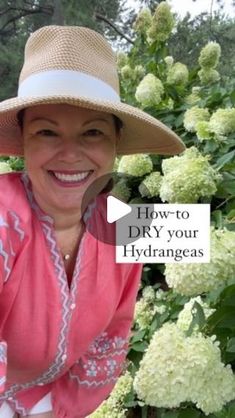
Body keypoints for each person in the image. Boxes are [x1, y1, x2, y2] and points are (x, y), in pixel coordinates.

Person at [0, 25, 185, 418]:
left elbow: (210, 238)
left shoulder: (125, 227)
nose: (71, 154)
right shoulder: (4, 219)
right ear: (23, 142)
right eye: (47, 131)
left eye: (93, 132)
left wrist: (52, 410)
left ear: (116, 143)